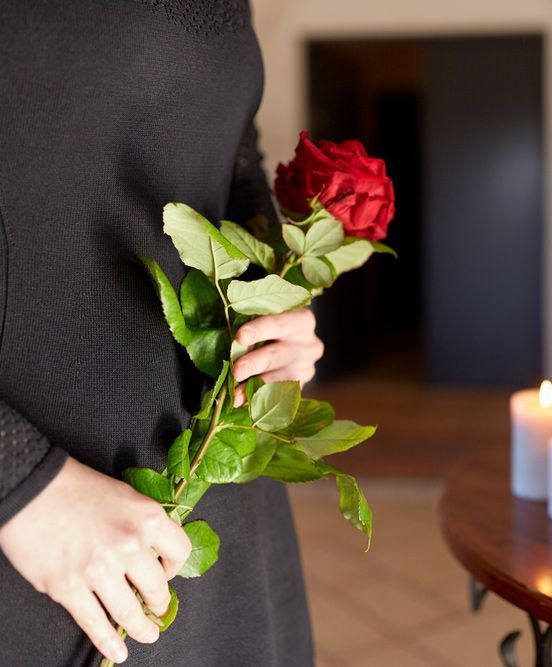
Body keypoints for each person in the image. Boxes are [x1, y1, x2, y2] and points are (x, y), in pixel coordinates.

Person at [0, 1, 321, 664]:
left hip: (216, 482)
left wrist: (270, 293)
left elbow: (233, 153)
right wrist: (19, 484)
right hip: (48, 533)